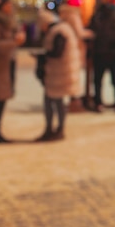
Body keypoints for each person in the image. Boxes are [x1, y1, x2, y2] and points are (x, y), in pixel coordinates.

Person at [35, 8, 81, 141]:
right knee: (52, 100)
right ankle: (52, 129)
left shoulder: (58, 31)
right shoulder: (61, 29)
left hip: (59, 72)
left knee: (56, 101)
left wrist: (42, 56)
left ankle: (58, 129)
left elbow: (57, 52)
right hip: (57, 71)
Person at [0, 0, 26, 143]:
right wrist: (14, 42)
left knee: (1, 98)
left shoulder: (8, 22)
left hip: (5, 64)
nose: (11, 7)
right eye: (8, 5)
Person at [88, 0, 115, 112]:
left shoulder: (98, 18)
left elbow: (91, 32)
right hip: (114, 53)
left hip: (100, 53)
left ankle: (98, 103)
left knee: (98, 80)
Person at [58, 0, 95, 111]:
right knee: (74, 74)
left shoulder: (63, 14)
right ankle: (74, 101)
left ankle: (72, 99)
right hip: (74, 47)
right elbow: (79, 32)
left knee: (68, 72)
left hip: (66, 47)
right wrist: (91, 33)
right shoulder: (73, 15)